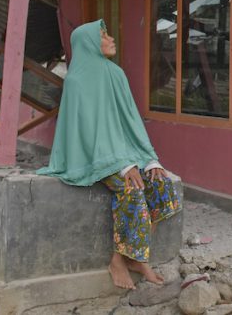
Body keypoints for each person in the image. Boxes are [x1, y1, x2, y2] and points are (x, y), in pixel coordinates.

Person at [38, 19, 180, 290]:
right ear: (89, 43)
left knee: (162, 186)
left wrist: (149, 159)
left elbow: (130, 120)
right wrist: (124, 166)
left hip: (124, 153)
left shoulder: (115, 74)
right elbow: (89, 134)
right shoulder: (77, 82)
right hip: (92, 157)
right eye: (103, 35)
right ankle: (118, 261)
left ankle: (137, 258)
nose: (111, 38)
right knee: (133, 190)